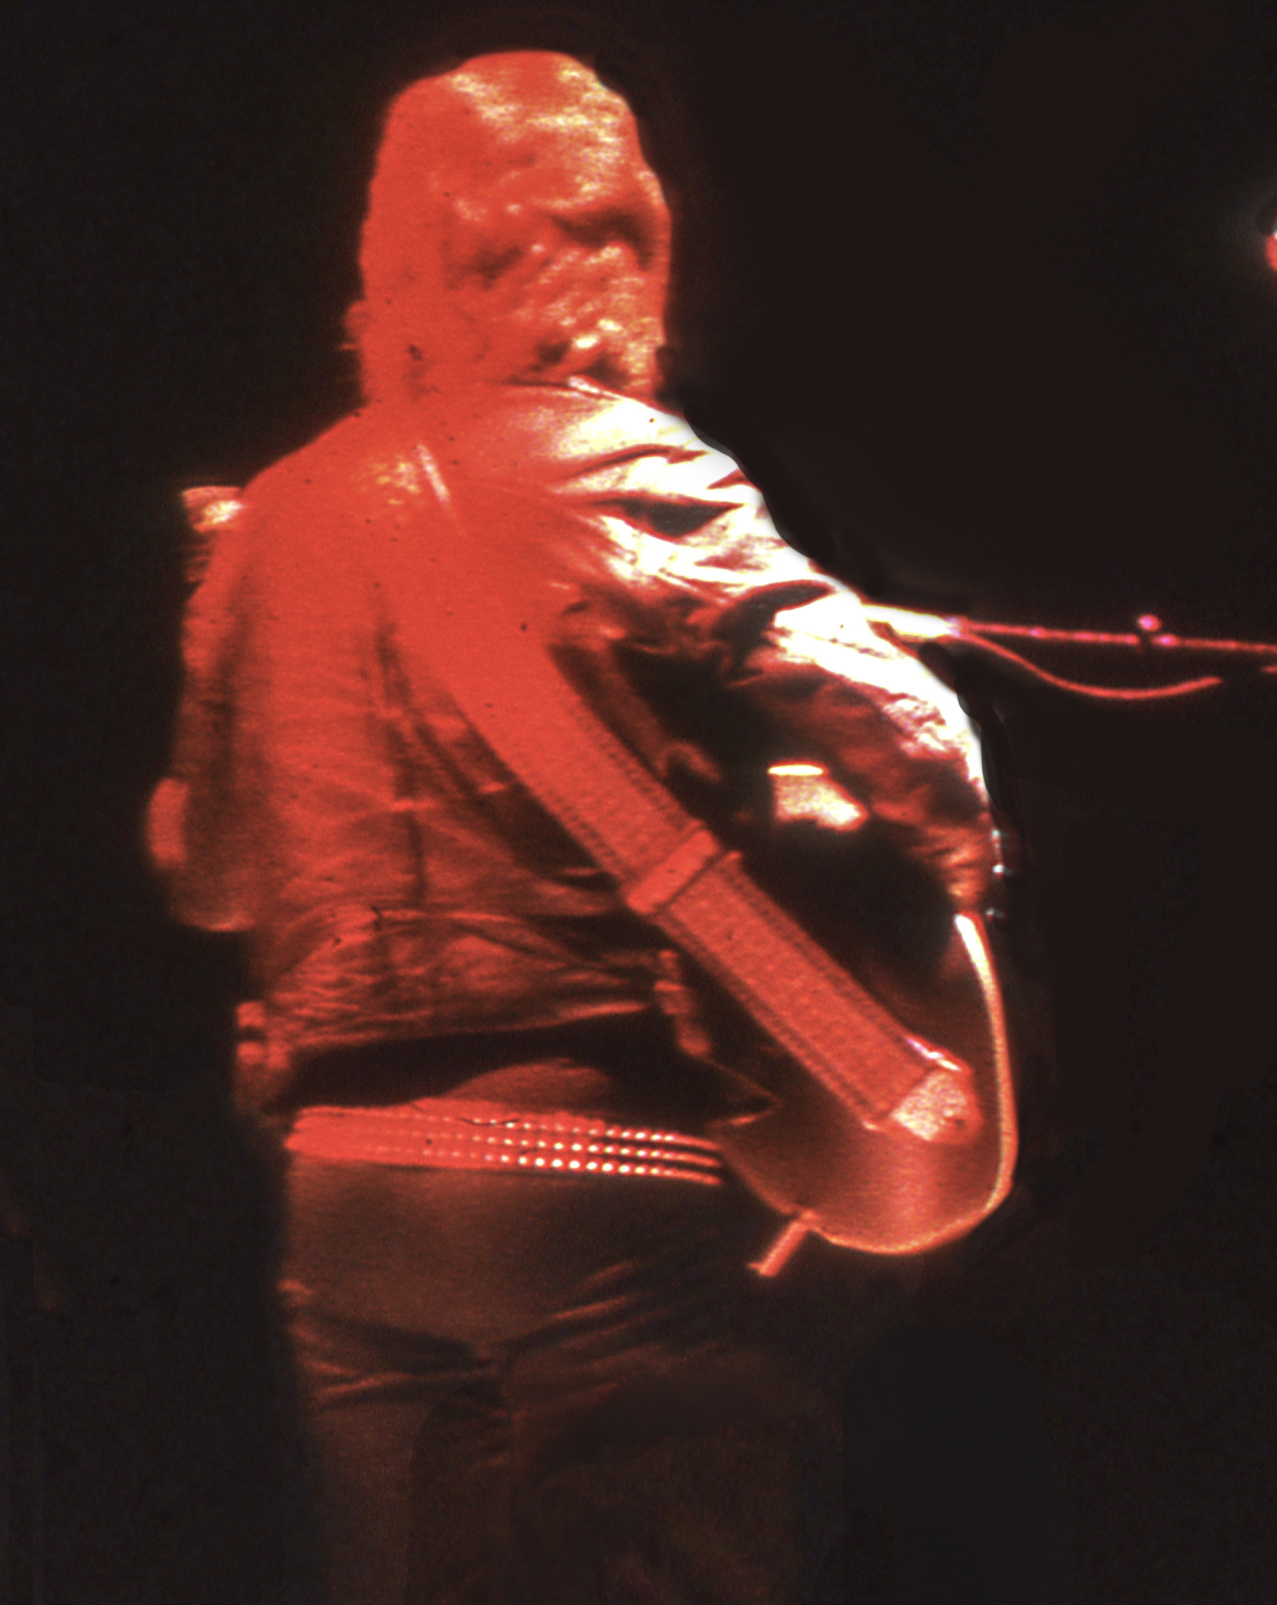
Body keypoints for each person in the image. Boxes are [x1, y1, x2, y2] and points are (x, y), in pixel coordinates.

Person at [147, 52, 1005, 1603]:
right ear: (620, 260)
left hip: (345, 1198)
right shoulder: (632, 469)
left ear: (394, 261)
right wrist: (907, 906)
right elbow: (928, 753)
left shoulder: (268, 517)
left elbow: (210, 885)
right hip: (587, 1182)